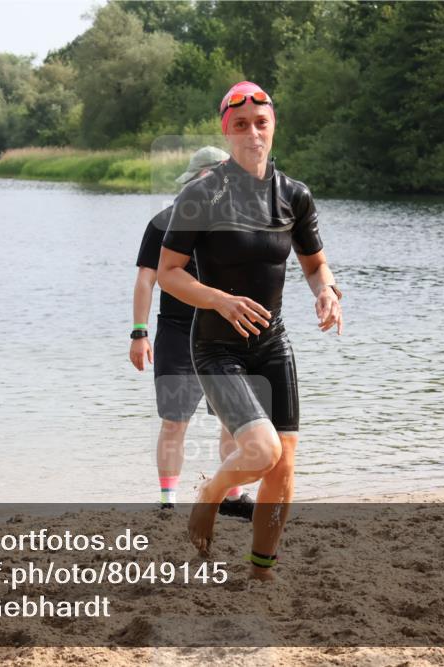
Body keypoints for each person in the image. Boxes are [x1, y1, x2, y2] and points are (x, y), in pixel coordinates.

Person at [157, 81, 343, 580]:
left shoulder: (294, 197)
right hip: (216, 347)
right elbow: (168, 272)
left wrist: (325, 291)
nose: (252, 133)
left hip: (272, 343)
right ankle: (211, 493)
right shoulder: (201, 195)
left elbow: (316, 264)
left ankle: (261, 570)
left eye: (261, 123)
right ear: (227, 130)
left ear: (273, 126)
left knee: (283, 468)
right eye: (240, 125)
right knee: (261, 451)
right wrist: (220, 299)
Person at [130, 146, 254, 518]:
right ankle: (169, 501)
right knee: (174, 422)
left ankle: (231, 496)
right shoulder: (164, 222)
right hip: (177, 332)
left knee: (234, 422)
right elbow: (146, 280)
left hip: (226, 332)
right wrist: (139, 333)